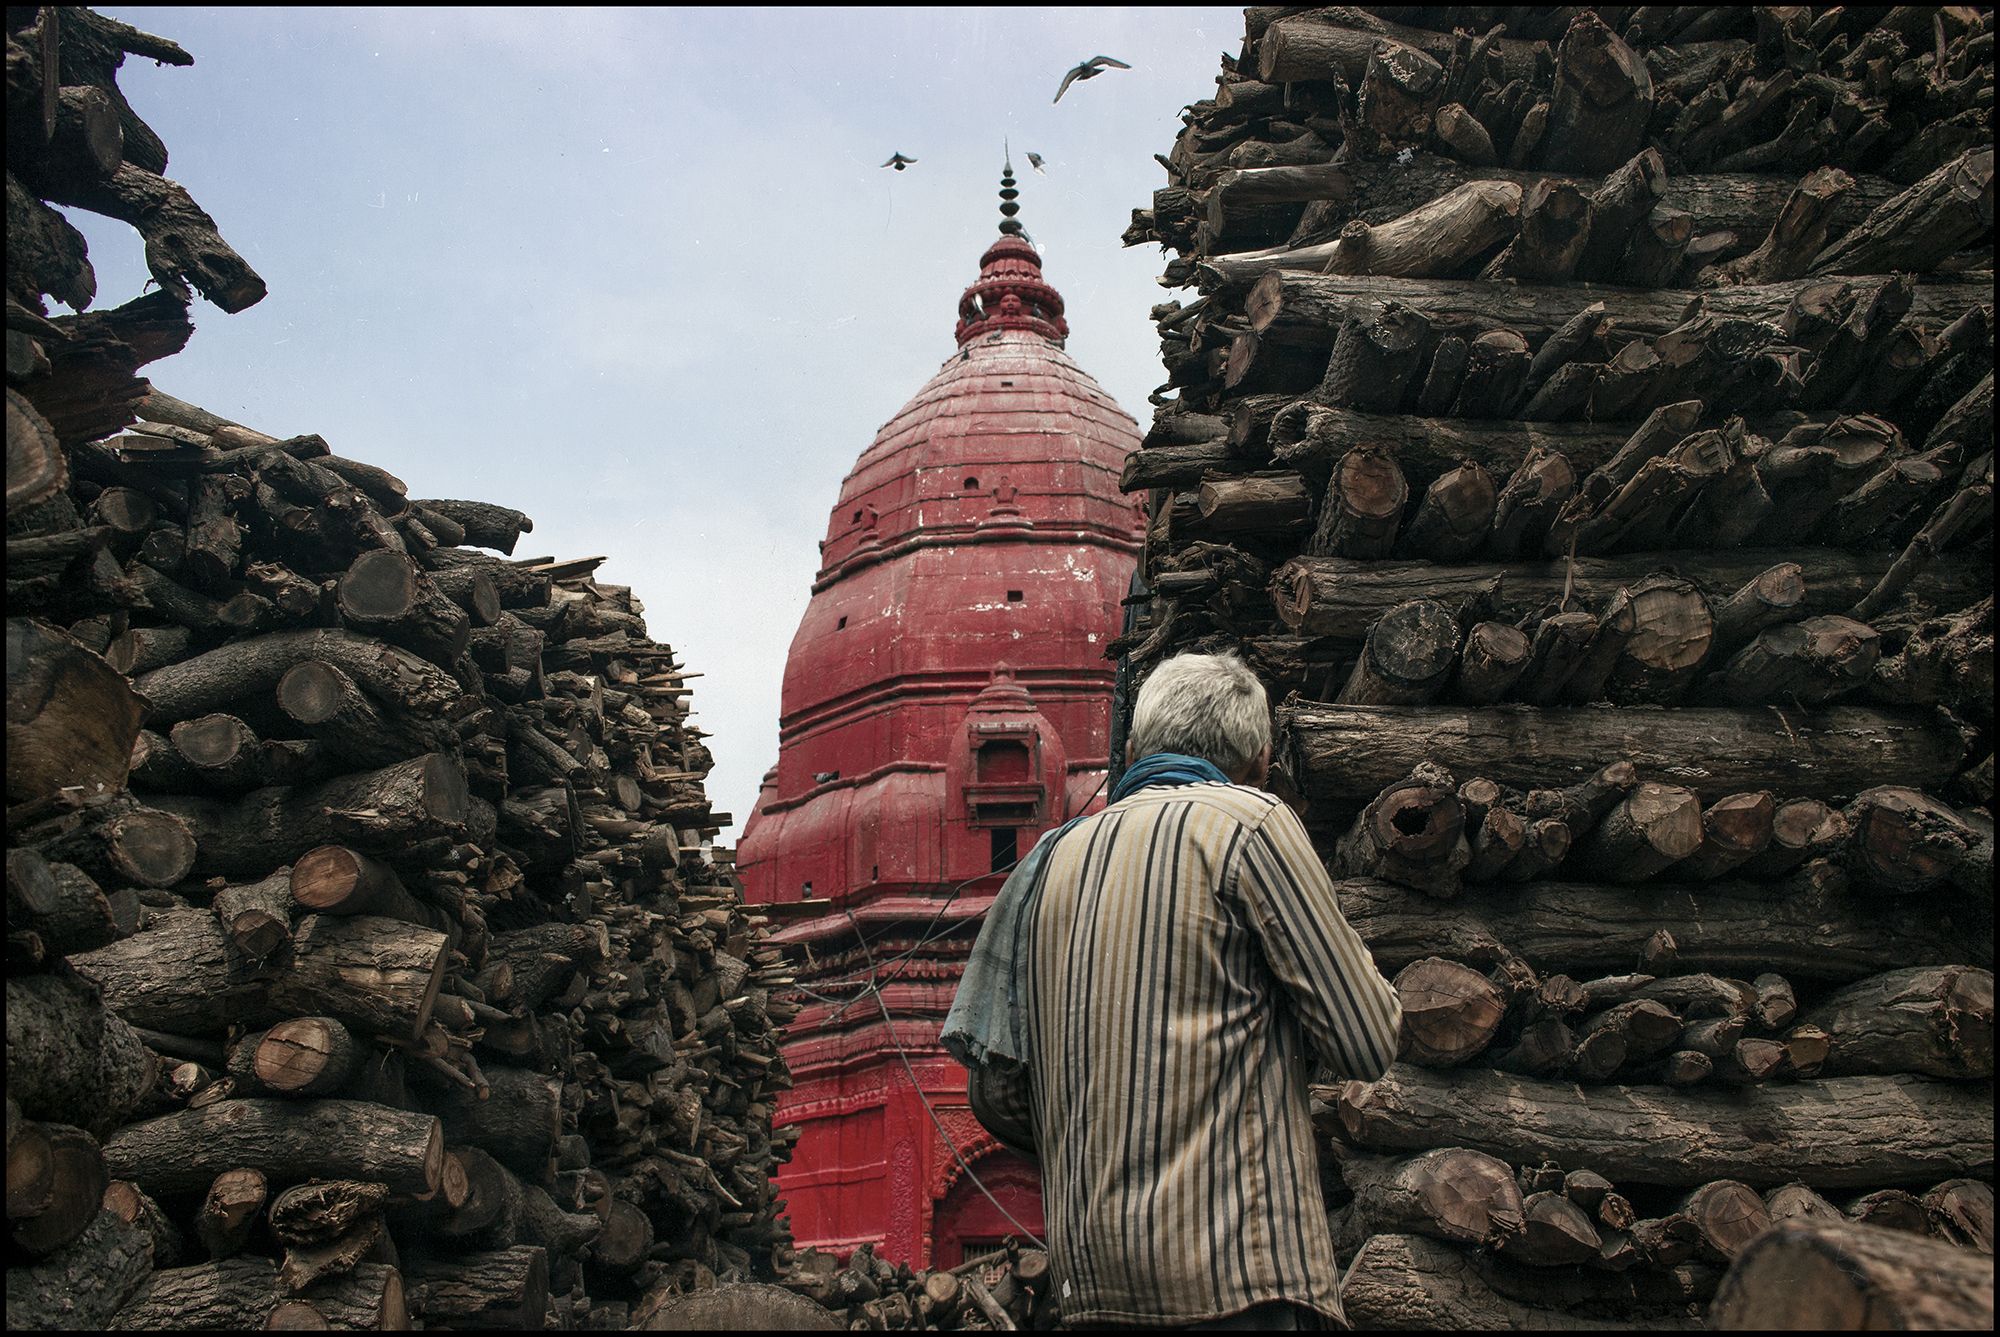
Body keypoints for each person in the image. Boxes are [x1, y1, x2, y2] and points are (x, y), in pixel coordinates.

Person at [945, 651, 1401, 1330]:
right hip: (1241, 1283)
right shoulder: (1252, 824)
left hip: (1093, 1286)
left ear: (1131, 750)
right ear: (1260, 759)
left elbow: (998, 1091)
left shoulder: (1046, 863)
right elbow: (1366, 1040)